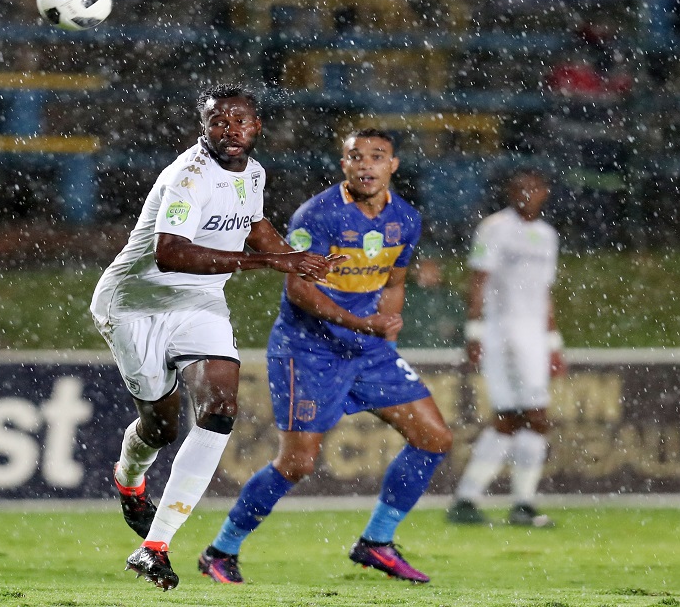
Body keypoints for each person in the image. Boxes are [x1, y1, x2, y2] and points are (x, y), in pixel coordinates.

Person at [90, 84, 338, 591]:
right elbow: (169, 253)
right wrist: (269, 262)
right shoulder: (188, 177)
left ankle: (154, 547)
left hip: (200, 302)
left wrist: (291, 257)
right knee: (160, 428)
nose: (230, 131)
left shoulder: (254, 173)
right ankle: (129, 480)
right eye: (218, 122)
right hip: (134, 306)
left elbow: (253, 221)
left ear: (256, 126)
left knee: (220, 409)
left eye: (239, 121)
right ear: (203, 127)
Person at [197, 128, 453, 585]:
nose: (366, 164)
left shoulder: (405, 219)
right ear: (344, 165)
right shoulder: (317, 215)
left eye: (377, 156)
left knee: (434, 438)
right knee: (297, 464)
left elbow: (393, 282)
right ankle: (221, 551)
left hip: (368, 351)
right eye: (356, 156)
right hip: (308, 351)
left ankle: (376, 542)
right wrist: (361, 323)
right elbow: (299, 289)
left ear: (393, 165)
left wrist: (387, 327)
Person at [445, 167, 565, 528]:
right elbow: (478, 280)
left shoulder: (547, 236)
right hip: (503, 332)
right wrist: (475, 332)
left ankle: (469, 500)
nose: (528, 194)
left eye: (534, 188)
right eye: (520, 188)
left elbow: (544, 293)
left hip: (534, 337)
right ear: (511, 193)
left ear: (545, 192)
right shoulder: (496, 228)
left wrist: (553, 342)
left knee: (513, 420)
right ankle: (521, 505)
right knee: (532, 416)